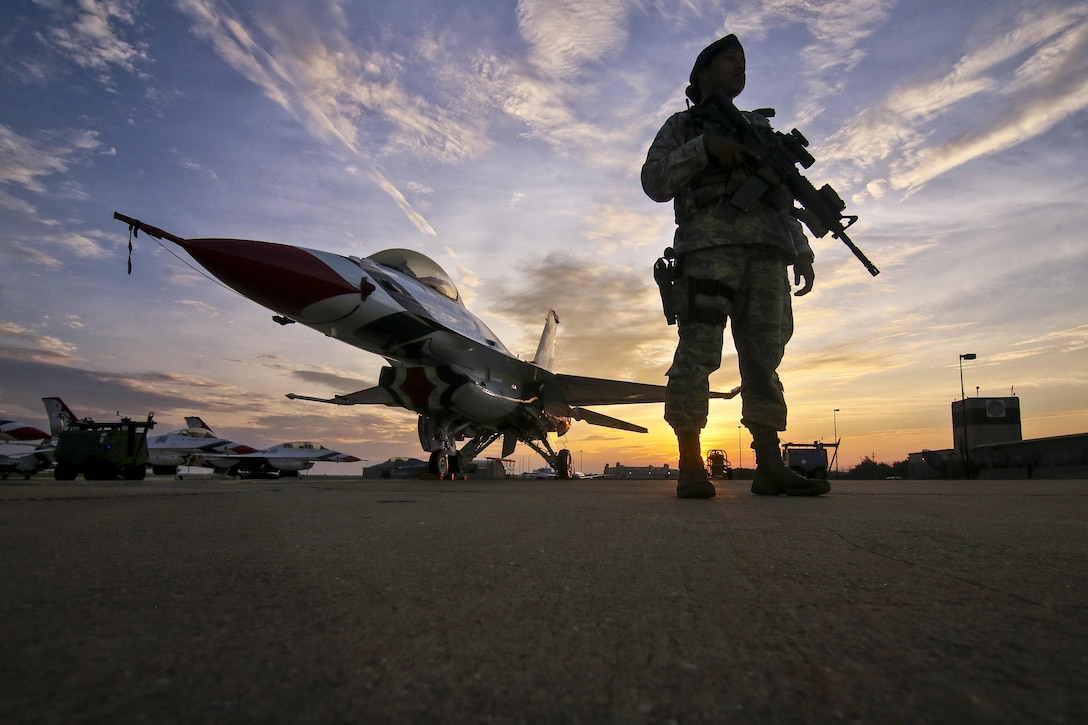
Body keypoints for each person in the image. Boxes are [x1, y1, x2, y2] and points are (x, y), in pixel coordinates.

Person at [641, 34, 830, 499]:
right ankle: (689, 463)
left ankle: (769, 464)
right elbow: (654, 181)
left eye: (744, 62)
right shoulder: (684, 126)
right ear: (702, 71)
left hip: (767, 253)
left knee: (765, 358)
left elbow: (782, 194)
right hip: (708, 249)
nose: (740, 68)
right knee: (699, 353)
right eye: (730, 60)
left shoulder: (761, 130)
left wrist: (801, 250)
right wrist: (704, 146)